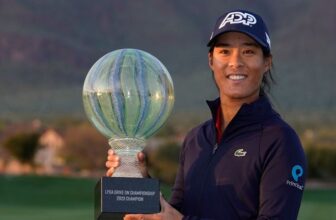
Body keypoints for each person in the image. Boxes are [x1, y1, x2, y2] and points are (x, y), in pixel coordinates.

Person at [106, 9, 306, 220]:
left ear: (267, 62)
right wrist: (139, 179)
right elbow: (176, 210)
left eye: (248, 52)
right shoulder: (196, 138)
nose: (235, 62)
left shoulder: (280, 141)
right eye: (224, 51)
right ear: (211, 60)